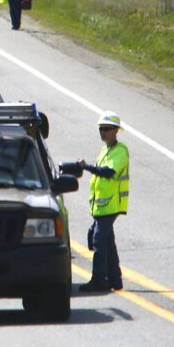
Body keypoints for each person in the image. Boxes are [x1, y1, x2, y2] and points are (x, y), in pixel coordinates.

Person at [73, 111, 129, 292]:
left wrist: (87, 167)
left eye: (106, 129)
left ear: (115, 131)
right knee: (108, 242)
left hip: (111, 204)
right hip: (102, 205)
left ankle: (98, 279)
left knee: (98, 241)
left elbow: (108, 172)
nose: (102, 132)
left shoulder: (120, 151)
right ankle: (115, 279)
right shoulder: (106, 150)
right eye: (100, 129)